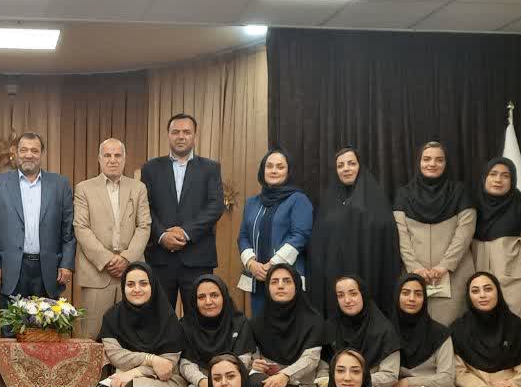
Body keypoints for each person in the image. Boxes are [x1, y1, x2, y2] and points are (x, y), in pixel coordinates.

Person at [0, 132, 75, 336]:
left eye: (34, 150)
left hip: (48, 270)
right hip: (10, 269)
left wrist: (67, 264)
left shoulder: (59, 184)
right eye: (23, 150)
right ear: (15, 153)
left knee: (46, 333)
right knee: (10, 332)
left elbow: (68, 229)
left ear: (42, 154)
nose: (29, 155)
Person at [140, 113, 225, 315]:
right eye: (175, 132)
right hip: (160, 257)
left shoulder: (210, 168)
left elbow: (215, 206)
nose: (181, 136)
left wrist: (185, 232)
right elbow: (144, 207)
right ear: (168, 135)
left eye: (186, 132)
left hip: (198, 257)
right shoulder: (150, 168)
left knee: (199, 316)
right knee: (159, 317)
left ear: (195, 135)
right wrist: (162, 235)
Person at [308, 147, 399, 320]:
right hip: (334, 274)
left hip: (368, 270)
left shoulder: (376, 200)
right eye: (340, 165)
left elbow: (386, 239)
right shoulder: (328, 202)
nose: (346, 168)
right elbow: (318, 242)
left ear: (360, 166)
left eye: (351, 163)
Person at [74, 137, 151, 339]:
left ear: (124, 159)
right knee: (93, 337)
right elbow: (81, 228)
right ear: (99, 159)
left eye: (118, 155)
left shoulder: (138, 188)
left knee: (132, 336)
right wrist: (108, 259)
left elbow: (144, 226)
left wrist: (126, 258)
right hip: (96, 273)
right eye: (107, 155)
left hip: (131, 273)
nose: (112, 160)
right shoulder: (84, 188)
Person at [393, 141, 478, 325]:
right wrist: (415, 267)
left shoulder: (459, 192)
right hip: (414, 275)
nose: (432, 164)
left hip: (455, 274)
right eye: (427, 159)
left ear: (446, 164)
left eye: (439, 160)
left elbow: (465, 233)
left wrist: (445, 265)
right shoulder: (403, 194)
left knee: (454, 329)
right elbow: (400, 235)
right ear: (419, 162)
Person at [247, 264, 325, 387]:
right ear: (268, 288)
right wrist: (254, 363)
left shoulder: (313, 320)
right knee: (254, 384)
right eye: (274, 282)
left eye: (286, 281)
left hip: (302, 384)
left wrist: (285, 376)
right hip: (269, 380)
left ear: (296, 285)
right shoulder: (258, 321)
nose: (280, 286)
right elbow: (252, 354)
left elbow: (311, 359)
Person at [471, 157, 521, 329]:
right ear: (484, 178)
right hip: (481, 290)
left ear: (512, 181)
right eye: (493, 174)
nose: (498, 180)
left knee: (517, 334)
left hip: (516, 290)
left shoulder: (520, 209)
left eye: (505, 176)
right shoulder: (473, 210)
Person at [238, 148, 312, 317]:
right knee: (260, 324)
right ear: (262, 170)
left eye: (280, 167)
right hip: (258, 278)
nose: (274, 170)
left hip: (286, 278)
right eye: (269, 166)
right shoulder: (252, 203)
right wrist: (251, 263)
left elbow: (300, 235)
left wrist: (273, 265)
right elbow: (243, 236)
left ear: (288, 171)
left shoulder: (298, 200)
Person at [178, 275, 254, 387]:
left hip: (234, 377)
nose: (208, 301)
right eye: (201, 297)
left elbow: (243, 360)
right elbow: (186, 363)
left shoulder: (239, 322)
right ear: (194, 301)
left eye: (214, 295)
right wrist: (202, 381)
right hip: (202, 379)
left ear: (223, 296)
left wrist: (221, 381)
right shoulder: (186, 325)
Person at [324, 276, 400, 387]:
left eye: (353, 294)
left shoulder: (384, 330)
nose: (347, 300)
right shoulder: (330, 328)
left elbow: (390, 375)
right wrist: (337, 383)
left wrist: (355, 381)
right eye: (341, 295)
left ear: (363, 295)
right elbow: (322, 370)